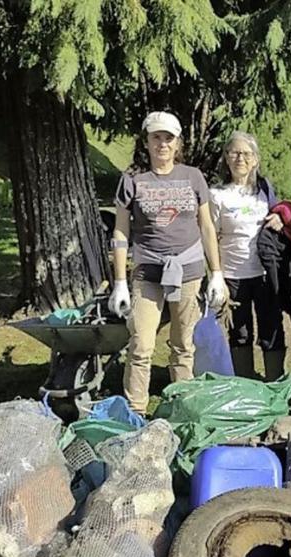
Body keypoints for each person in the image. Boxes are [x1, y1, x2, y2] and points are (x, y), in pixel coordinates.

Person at [108, 111, 227, 415]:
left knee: (183, 346)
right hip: (147, 272)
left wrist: (217, 274)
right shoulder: (132, 179)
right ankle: (136, 412)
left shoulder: (192, 177)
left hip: (188, 272)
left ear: (177, 144)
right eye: (156, 137)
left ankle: (181, 408)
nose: (162, 144)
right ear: (146, 142)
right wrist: (120, 281)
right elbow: (121, 230)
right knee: (141, 346)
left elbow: (207, 227)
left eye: (168, 138)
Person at [210, 131, 288, 381]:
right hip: (233, 276)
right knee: (240, 332)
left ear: (255, 159)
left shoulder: (265, 190)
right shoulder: (217, 195)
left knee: (272, 329)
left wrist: (280, 217)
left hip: (265, 274)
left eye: (246, 154)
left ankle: (274, 383)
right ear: (226, 158)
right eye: (234, 152)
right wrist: (216, 275)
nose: (240, 158)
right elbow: (210, 236)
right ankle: (244, 383)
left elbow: (285, 211)